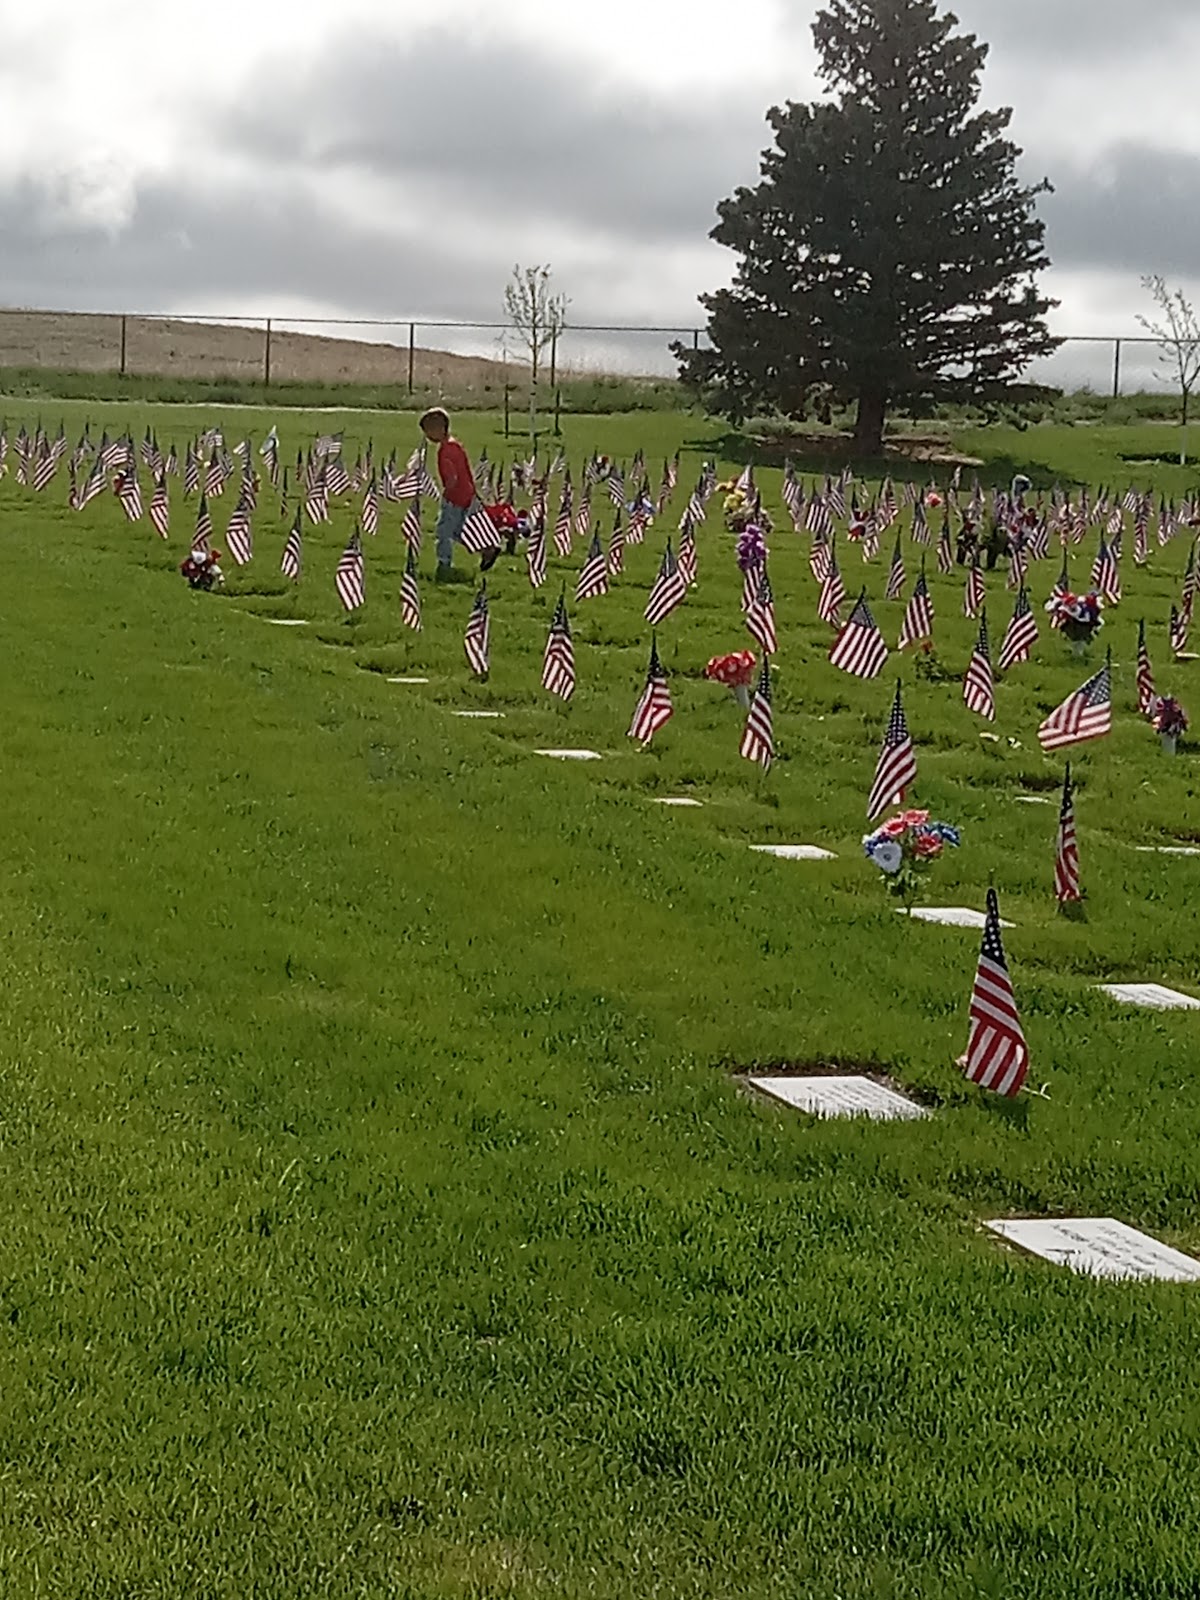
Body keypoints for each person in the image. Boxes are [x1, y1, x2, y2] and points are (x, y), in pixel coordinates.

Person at [418, 408, 499, 580]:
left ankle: (444, 563)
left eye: (429, 431)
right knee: (459, 531)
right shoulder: (456, 445)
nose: (428, 436)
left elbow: (452, 476)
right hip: (466, 494)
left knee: (443, 532)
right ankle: (486, 549)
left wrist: (447, 491)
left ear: (439, 429)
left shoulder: (445, 450)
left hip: (454, 498)